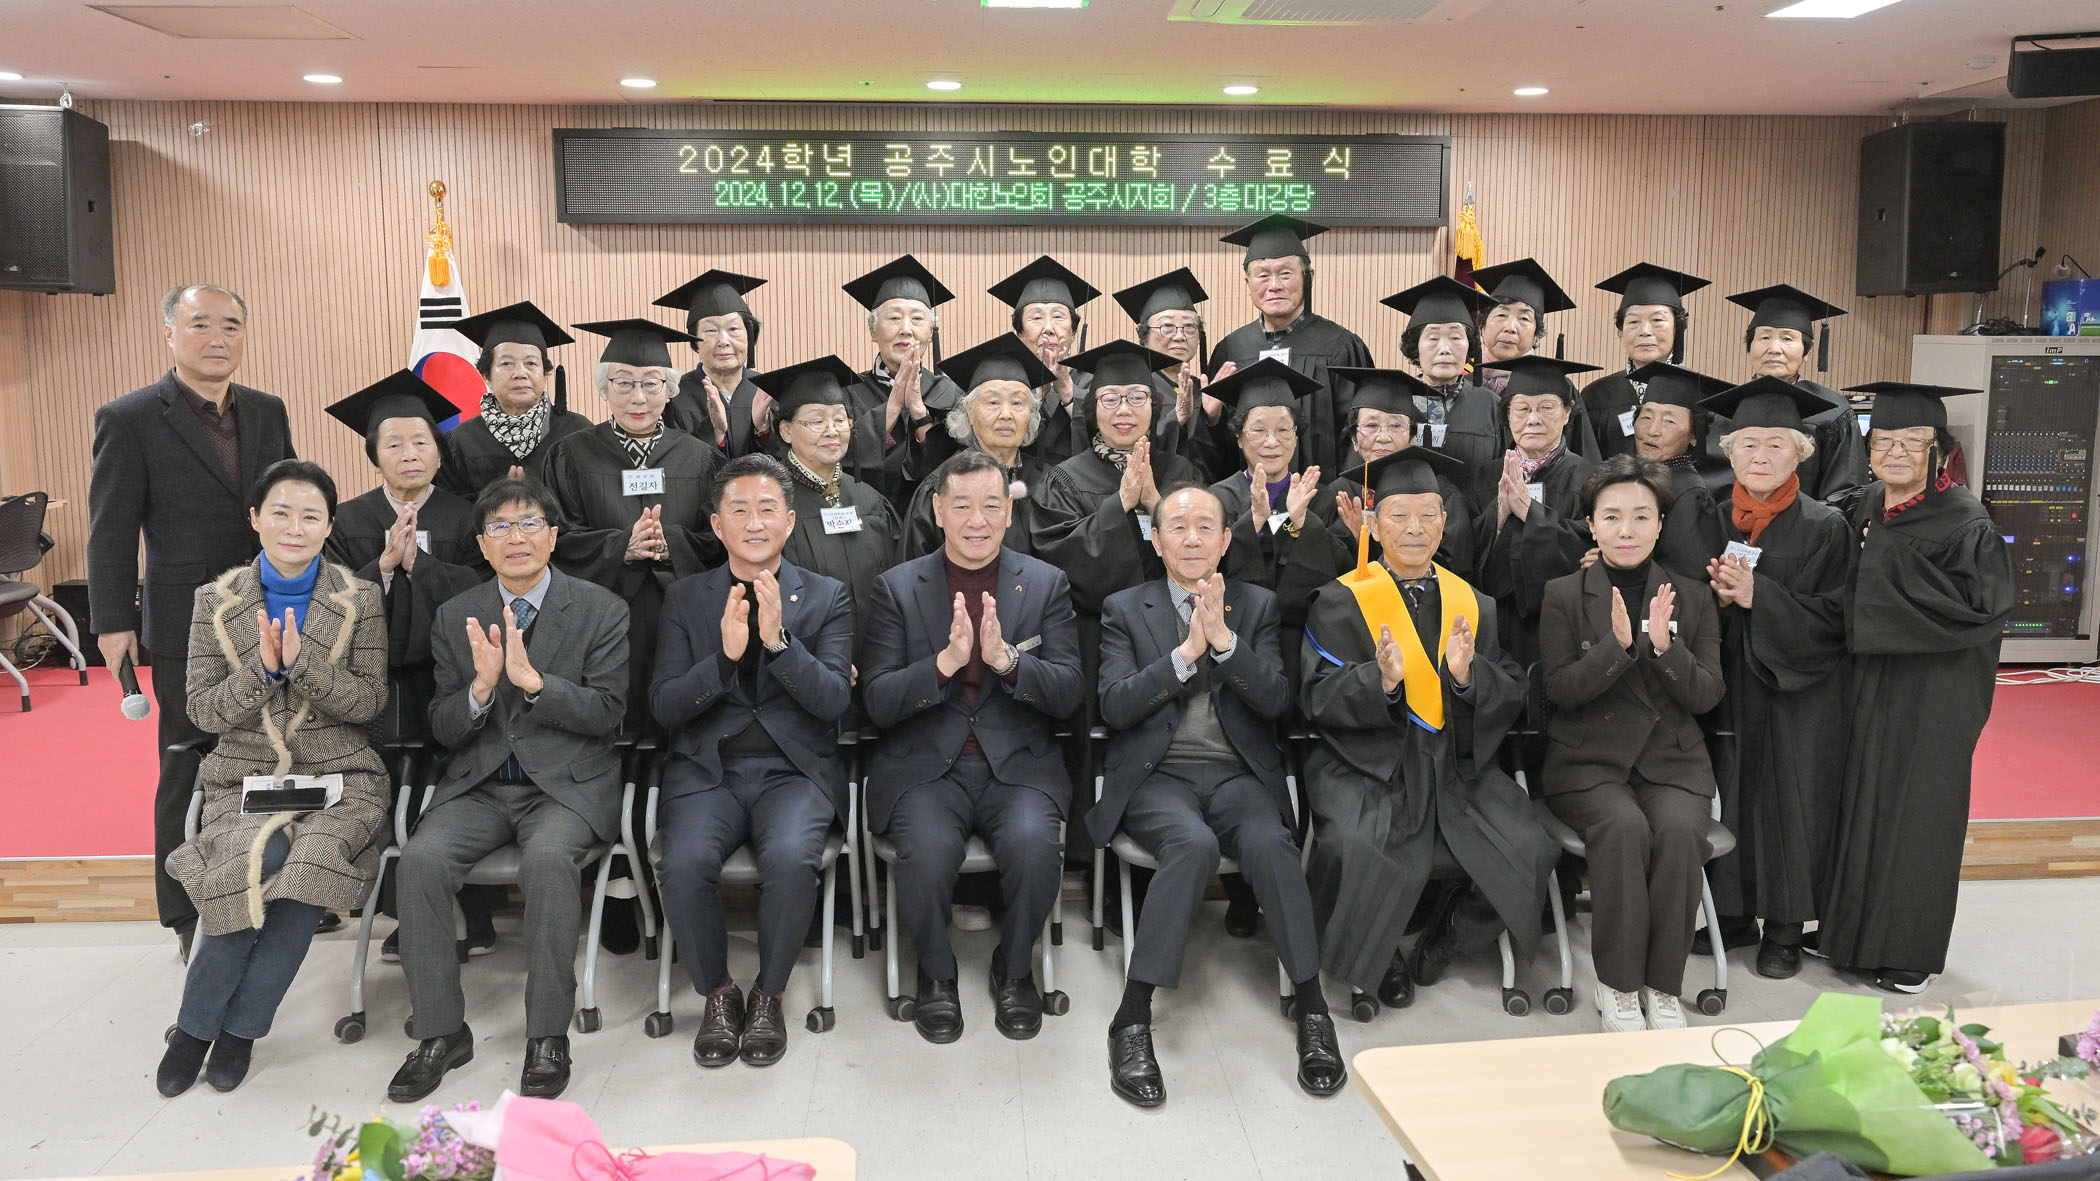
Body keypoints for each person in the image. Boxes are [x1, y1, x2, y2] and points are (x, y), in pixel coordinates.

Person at [1091, 484, 1342, 1106]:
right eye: (1177, 527)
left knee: (1272, 845)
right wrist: (1184, 656)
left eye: (1206, 526)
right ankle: (1132, 1016)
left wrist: (1226, 644)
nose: (1193, 538)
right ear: (1156, 540)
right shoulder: (1125, 608)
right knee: (1192, 845)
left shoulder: (1257, 605)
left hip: (1237, 775)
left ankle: (1313, 1009)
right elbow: (1115, 706)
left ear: (1227, 540)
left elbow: (1277, 699)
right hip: (1158, 776)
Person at [388, 476, 630, 1103]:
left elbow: (608, 713)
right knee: (420, 861)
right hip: (480, 785)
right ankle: (441, 1032)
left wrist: (535, 684)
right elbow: (442, 727)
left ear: (552, 537)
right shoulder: (456, 615)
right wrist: (479, 691)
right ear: (482, 544)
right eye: (500, 527)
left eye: (529, 524)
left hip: (565, 788)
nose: (515, 537)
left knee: (547, 863)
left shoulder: (601, 608)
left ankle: (546, 1035)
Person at [157, 460, 387, 1096]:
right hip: (243, 777)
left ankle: (237, 1031)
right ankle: (195, 1028)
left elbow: (369, 703)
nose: (295, 527)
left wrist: (301, 666)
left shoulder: (361, 599)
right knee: (249, 863)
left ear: (329, 526)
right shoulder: (215, 601)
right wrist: (262, 672)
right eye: (281, 513)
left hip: (342, 777)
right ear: (255, 518)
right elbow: (203, 711)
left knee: (307, 869)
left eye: (311, 516)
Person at [1299, 448, 1556, 1017]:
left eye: (1427, 516)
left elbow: (1510, 687)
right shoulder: (1340, 602)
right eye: (1399, 516)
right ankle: (1380, 955)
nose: (1414, 529)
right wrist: (1380, 682)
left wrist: (1468, 678)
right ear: (1372, 524)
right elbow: (1316, 697)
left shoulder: (1474, 604)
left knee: (1533, 845)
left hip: (1455, 762)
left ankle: (1452, 931)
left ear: (1444, 524)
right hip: (1369, 762)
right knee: (1353, 844)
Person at [90, 283, 297, 959]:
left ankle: (273, 884)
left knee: (272, 754)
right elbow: (111, 528)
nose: (217, 338)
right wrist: (113, 620)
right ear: (169, 333)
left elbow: (285, 501)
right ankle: (184, 913)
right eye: (200, 324)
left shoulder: (266, 410)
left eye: (230, 325)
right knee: (188, 762)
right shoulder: (129, 418)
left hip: (269, 611)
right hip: (186, 621)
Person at [860, 450, 1083, 1045]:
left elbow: (1068, 692)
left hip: (1018, 764)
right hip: (927, 767)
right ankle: (936, 974)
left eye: (990, 505)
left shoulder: (1046, 583)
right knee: (926, 852)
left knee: (1036, 845)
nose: (976, 520)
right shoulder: (897, 588)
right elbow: (877, 700)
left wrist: (1008, 662)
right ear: (938, 511)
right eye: (961, 506)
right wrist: (944, 664)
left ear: (1009, 511)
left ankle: (1015, 968)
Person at [651, 455, 856, 1069]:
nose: (754, 522)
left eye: (768, 509)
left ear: (790, 521)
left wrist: (778, 644)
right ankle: (718, 994)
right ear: (717, 525)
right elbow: (665, 706)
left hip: (795, 771)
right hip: (706, 770)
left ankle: (768, 995)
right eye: (739, 510)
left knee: (791, 858)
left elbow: (834, 700)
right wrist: (722, 659)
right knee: (683, 862)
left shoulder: (827, 596)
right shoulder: (685, 598)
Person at [1818, 382, 2012, 993]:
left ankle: (1908, 952)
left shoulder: (1966, 521)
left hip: (1934, 690)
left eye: (1912, 441)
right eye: (1884, 441)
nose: (1896, 452)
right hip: (1871, 679)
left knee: (1918, 812)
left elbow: (1979, 612)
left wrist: (1883, 560)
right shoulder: (1868, 504)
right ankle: (1848, 936)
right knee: (1860, 800)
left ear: (1938, 449)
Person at [1539, 455, 1726, 1033]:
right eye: (1612, 516)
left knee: (1679, 831)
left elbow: (1708, 696)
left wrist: (1668, 650)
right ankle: (1618, 986)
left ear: (1660, 524)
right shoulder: (1563, 594)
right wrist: (1615, 650)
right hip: (1589, 763)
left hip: (1673, 762)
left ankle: (1662, 986)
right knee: (1623, 829)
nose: (1627, 529)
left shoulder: (1692, 596)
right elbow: (1559, 691)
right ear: (1591, 525)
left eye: (1641, 516)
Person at [319, 372, 500, 962]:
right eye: (393, 443)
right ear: (373, 454)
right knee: (390, 788)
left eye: (421, 441)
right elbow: (330, 597)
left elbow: (488, 588)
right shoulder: (347, 519)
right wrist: (382, 568)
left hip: (449, 676)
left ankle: (476, 912)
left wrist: (422, 567)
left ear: (439, 451)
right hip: (376, 682)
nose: (409, 454)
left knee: (454, 786)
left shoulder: (469, 515)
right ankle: (405, 917)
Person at [1692, 376, 1853, 980]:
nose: (1760, 456)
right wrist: (1715, 603)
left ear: (1800, 454)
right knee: (1730, 795)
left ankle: (1785, 929)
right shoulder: (1709, 519)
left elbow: (1836, 618)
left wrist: (1760, 597)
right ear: (1729, 452)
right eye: (1749, 444)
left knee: (1789, 804)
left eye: (1776, 445)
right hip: (1727, 687)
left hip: (1795, 694)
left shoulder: (1824, 526)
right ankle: (1733, 916)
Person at [544, 318, 724, 736]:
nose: (638, 397)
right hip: (601, 612)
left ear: (670, 389)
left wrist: (670, 543)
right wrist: (620, 546)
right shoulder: (572, 454)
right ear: (604, 388)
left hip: (677, 612)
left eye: (651, 383)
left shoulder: (699, 458)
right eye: (623, 383)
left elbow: (719, 537)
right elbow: (557, 536)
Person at [1200, 360, 1341, 691]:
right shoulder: (1218, 497)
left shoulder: (1318, 496)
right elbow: (1205, 566)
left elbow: (1338, 571)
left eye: (1283, 429)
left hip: (1305, 637)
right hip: (1235, 631)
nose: (1272, 441)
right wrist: (1254, 521)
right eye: (1258, 430)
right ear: (1239, 438)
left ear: (1297, 436)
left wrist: (1301, 523)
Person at [752, 356, 904, 648]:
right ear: (786, 430)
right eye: (817, 421)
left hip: (877, 655)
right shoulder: (769, 505)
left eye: (839, 419)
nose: (832, 431)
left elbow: (897, 583)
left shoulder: (870, 500)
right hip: (803, 657)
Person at [1206, 214, 1373, 475]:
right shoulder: (1231, 350)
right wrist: (1211, 420)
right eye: (1263, 275)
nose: (1274, 286)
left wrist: (1340, 493)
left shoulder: (1340, 347)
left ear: (1308, 277)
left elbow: (1357, 435)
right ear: (1248, 284)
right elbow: (1220, 443)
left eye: (1285, 273)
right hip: (1247, 496)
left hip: (1323, 493)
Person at [1474, 354, 1602, 669]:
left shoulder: (1590, 478)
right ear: (1507, 415)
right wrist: (1498, 517)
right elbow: (1466, 551)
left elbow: (1588, 546)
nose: (1533, 419)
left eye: (1546, 407)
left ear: (1567, 413)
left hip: (1558, 621)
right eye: (1522, 409)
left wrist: (1529, 512)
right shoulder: (1485, 477)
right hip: (1494, 620)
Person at [900, 333, 1075, 559]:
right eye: (993, 402)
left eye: (1017, 403)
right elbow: (917, 569)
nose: (1006, 414)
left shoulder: (1050, 484)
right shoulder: (943, 485)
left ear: (1031, 414)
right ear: (970, 412)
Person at [1322, 368, 1482, 580]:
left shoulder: (1441, 494)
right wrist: (1354, 543)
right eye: (1371, 425)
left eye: (1396, 425)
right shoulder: (1339, 496)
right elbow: (1324, 572)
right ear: (1354, 439)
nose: (1383, 437)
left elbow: (1456, 572)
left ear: (1411, 436)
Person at [1722, 285, 1868, 508]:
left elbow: (1845, 492)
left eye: (1787, 339)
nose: (1774, 348)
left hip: (1809, 526)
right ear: (1749, 348)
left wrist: (1805, 522)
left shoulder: (1832, 410)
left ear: (1807, 352)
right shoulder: (1725, 406)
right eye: (1764, 337)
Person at [839, 255, 964, 504]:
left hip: (932, 518)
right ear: (873, 331)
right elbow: (842, 461)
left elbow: (958, 468)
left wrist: (919, 413)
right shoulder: (849, 391)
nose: (906, 329)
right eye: (894, 318)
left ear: (930, 331)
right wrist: (893, 406)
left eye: (917, 319)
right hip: (867, 514)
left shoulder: (950, 392)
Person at [436, 301, 590, 495]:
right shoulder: (461, 441)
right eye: (507, 363)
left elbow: (592, 501)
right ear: (486, 376)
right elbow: (449, 506)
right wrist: (496, 503)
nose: (520, 373)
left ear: (545, 373)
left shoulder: (578, 432)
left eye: (531, 363)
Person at [1379, 275, 1503, 496]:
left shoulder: (1490, 405)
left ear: (1469, 345)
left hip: (1478, 516)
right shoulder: (1394, 402)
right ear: (1415, 346)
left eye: (1455, 338)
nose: (1445, 349)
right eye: (1433, 338)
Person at [1583, 264, 1710, 460]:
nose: (1645, 331)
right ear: (1620, 331)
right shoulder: (1595, 396)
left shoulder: (1701, 394)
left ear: (1678, 327)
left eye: (1657, 320)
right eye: (1633, 322)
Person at [1470, 258, 1591, 452]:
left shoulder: (1558, 389)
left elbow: (1581, 459)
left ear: (1536, 335)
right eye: (1501, 315)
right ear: (1482, 327)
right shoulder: (1464, 386)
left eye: (1524, 318)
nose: (1510, 327)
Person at [991, 255, 1101, 466]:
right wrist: (1035, 397)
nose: (1048, 328)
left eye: (1058, 317)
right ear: (1020, 333)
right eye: (1036, 318)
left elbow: (1104, 443)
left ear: (1073, 332)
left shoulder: (1095, 383)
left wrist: (1068, 392)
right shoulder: (1003, 383)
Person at [1625, 361, 1729, 580]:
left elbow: (1686, 573)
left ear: (1694, 435)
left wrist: (1619, 565)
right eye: (1646, 417)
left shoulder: (1689, 494)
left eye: (1669, 421)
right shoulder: (1636, 477)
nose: (1653, 431)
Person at [654, 269, 770, 455]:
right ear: (695, 341)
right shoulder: (674, 398)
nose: (723, 341)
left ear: (749, 335)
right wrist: (714, 433)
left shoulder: (767, 392)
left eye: (733, 329)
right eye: (710, 331)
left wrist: (762, 430)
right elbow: (674, 462)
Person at [1112, 268, 1219, 471]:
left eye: (1189, 327)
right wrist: (1176, 419)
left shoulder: (1205, 392)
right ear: (1144, 337)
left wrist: (1214, 420)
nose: (1179, 336)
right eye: (1167, 327)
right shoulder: (1131, 391)